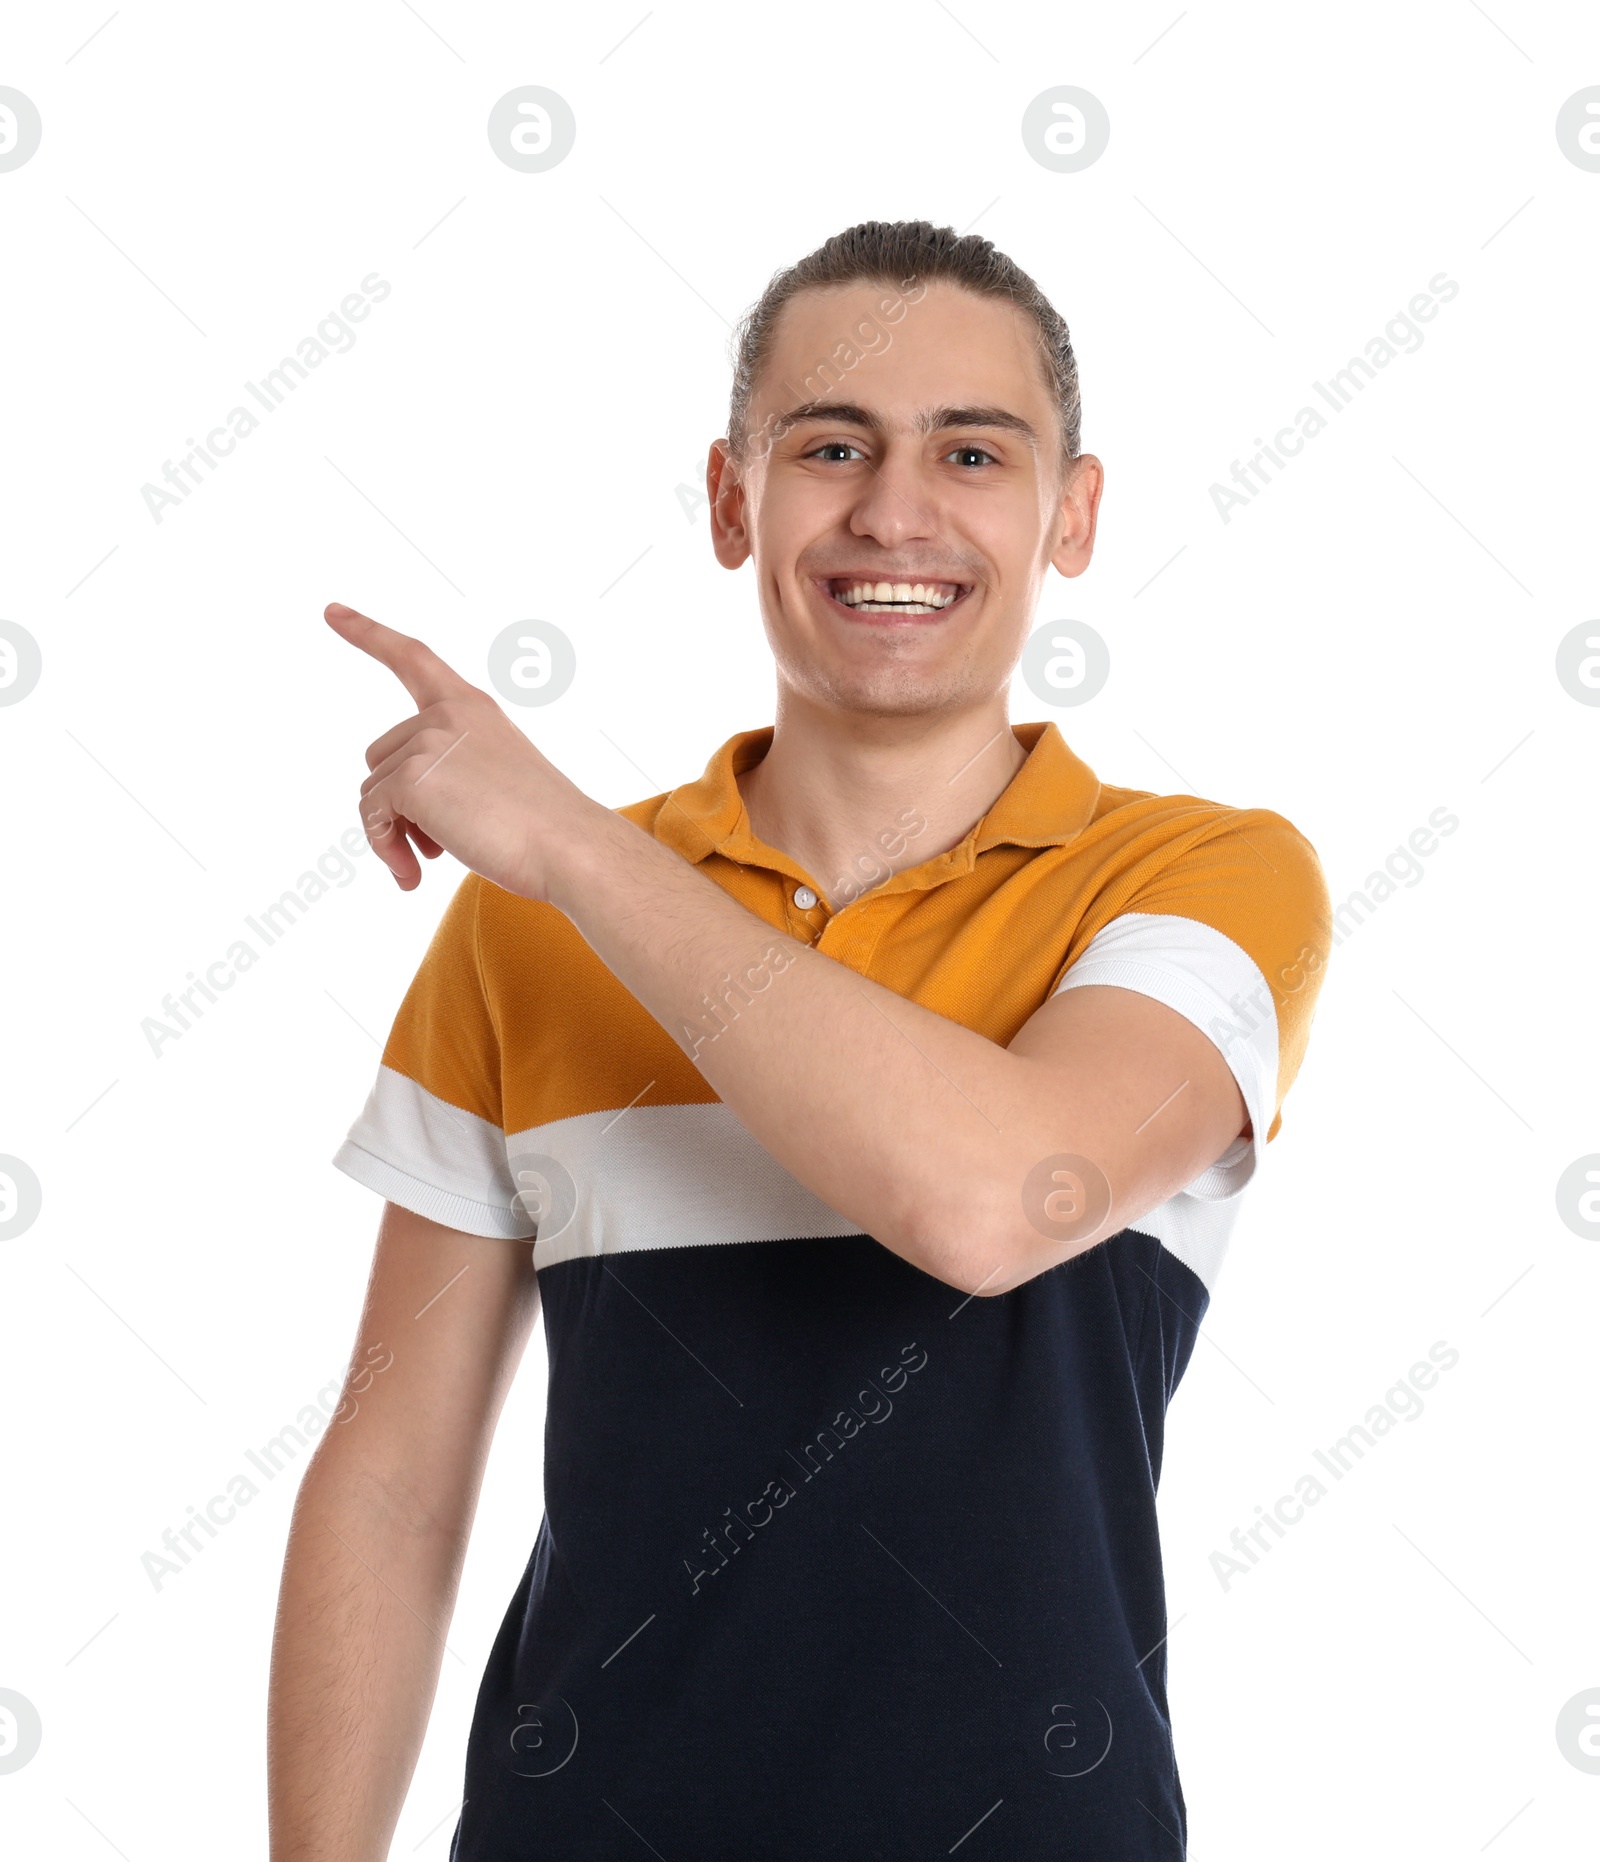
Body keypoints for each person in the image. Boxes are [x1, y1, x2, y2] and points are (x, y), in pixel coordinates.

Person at [267, 219, 1331, 1860]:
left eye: (972, 451)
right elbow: (395, 1472)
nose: (894, 510)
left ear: (1074, 514)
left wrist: (569, 847)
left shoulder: (1201, 876)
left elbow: (1001, 1200)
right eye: (831, 445)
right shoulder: (524, 925)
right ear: (728, 500)